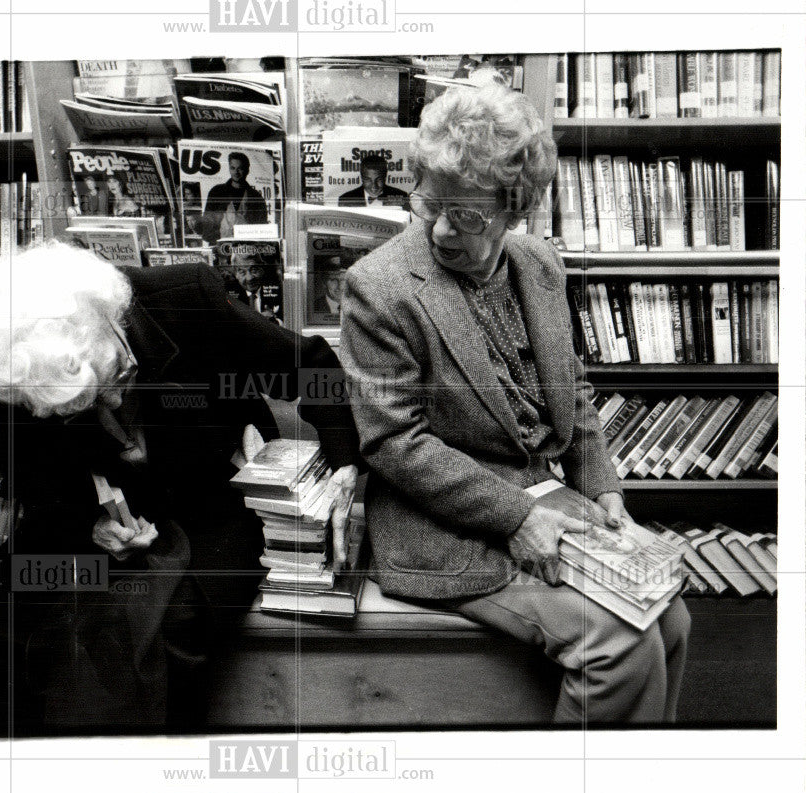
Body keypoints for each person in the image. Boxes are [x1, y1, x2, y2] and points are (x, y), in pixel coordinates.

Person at [339, 82, 690, 724]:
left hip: (545, 496)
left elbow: (571, 389)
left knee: (670, 616)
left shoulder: (538, 262)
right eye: (429, 204)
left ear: (512, 208)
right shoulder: (378, 289)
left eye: (467, 215)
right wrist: (513, 518)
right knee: (618, 644)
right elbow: (393, 442)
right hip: (443, 523)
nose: (442, 229)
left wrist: (603, 488)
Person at [0, 242, 359, 735]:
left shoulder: (188, 299)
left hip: (211, 496)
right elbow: (21, 467)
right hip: (100, 509)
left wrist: (343, 465)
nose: (114, 403)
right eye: (82, 407)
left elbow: (312, 367)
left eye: (117, 377)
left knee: (167, 626)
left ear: (110, 326)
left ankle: (152, 768)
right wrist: (91, 525)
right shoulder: (20, 361)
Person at [201, 152, 270, 243]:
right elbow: (207, 224)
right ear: (229, 169)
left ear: (247, 170)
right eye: (232, 168)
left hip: (246, 248)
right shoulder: (216, 192)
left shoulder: (256, 197)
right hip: (220, 247)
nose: (236, 172)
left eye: (240, 168)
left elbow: (262, 229)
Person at [338, 153, 409, 209]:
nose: (374, 186)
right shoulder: (345, 200)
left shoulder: (402, 196)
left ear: (385, 177)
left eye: (379, 180)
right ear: (362, 178)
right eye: (368, 180)